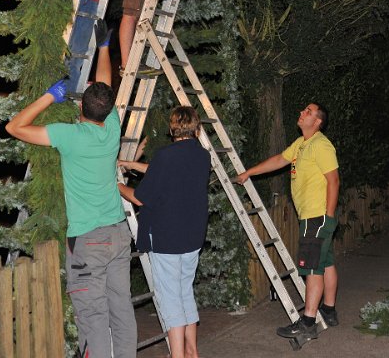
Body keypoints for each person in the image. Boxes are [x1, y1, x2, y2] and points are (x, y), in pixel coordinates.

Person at [5, 23, 136, 357]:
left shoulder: (69, 136)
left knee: (93, 316)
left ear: (80, 107)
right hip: (119, 234)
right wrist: (104, 46)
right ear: (107, 110)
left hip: (89, 239)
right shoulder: (112, 128)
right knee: (121, 310)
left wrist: (50, 95)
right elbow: (105, 85)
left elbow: (14, 127)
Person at [235, 103, 340, 341]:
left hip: (317, 216)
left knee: (312, 267)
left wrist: (328, 217)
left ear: (318, 122)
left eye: (308, 112)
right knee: (326, 262)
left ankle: (308, 322)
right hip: (312, 216)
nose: (302, 112)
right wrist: (249, 172)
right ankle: (330, 311)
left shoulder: (321, 145)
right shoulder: (302, 144)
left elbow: (333, 181)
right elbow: (279, 161)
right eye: (303, 110)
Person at [118, 106, 209, 358]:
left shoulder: (165, 155)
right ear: (196, 128)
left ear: (172, 128)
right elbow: (163, 170)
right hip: (192, 237)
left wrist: (116, 185)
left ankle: (177, 355)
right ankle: (192, 351)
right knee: (184, 292)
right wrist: (130, 164)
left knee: (170, 301)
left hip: (167, 238)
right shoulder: (202, 156)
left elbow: (139, 198)